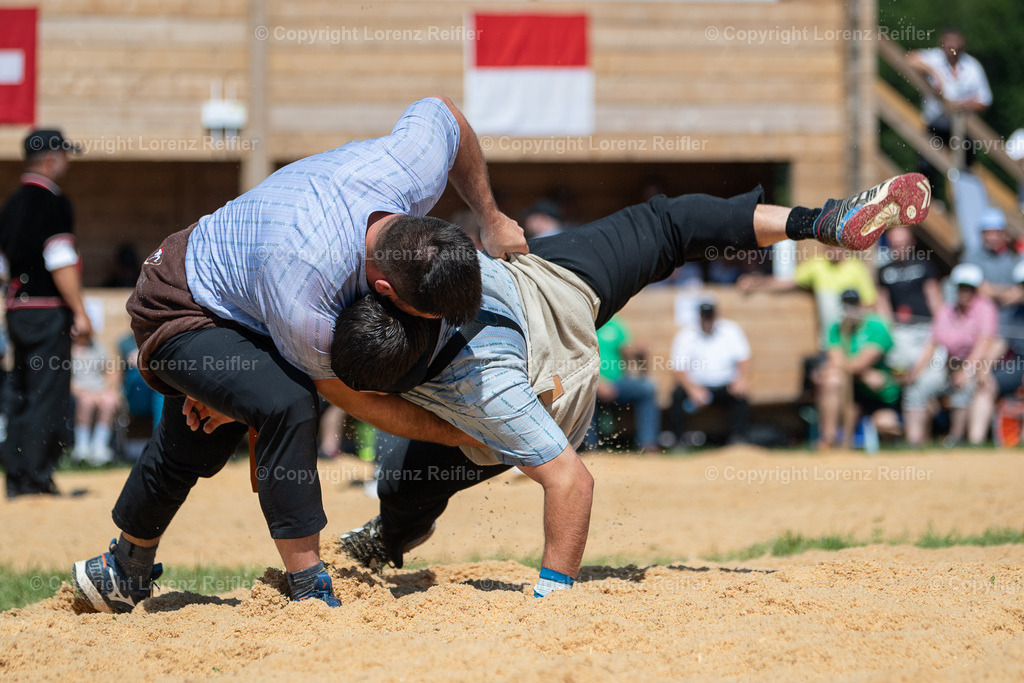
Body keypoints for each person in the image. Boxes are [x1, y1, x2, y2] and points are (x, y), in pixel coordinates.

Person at [335, 172, 931, 598]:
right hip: (548, 298)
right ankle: (816, 221)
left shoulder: (472, 385)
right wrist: (488, 214)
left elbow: (571, 481)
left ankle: (386, 537)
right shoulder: (410, 272)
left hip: (540, 360)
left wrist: (552, 595)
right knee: (670, 223)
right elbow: (446, 115)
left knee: (409, 493)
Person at [70, 96, 528, 614]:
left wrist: (491, 216)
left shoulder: (408, 170)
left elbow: (445, 112)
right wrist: (458, 435)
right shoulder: (306, 290)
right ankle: (309, 585)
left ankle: (123, 567)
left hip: (253, 281)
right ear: (383, 287)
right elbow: (332, 390)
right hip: (181, 301)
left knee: (198, 430)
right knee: (284, 403)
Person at [0, 129, 91, 498]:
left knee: (21, 390)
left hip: (17, 308)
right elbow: (60, 261)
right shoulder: (53, 202)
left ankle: (18, 475)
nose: (67, 162)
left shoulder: (11, 203)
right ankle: (37, 478)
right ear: (52, 158)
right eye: (66, 155)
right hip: (47, 310)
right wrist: (81, 311)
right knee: (47, 393)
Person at [902, 263, 999, 446]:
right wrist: (917, 371)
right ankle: (913, 441)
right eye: (962, 287)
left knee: (964, 387)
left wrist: (966, 371)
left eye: (970, 288)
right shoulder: (946, 310)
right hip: (948, 366)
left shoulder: (985, 308)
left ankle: (955, 439)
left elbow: (984, 343)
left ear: (976, 289)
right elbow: (932, 343)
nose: (965, 292)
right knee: (916, 388)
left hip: (978, 367)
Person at [907, 27, 992, 195]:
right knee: (927, 165)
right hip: (935, 123)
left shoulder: (973, 67)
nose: (951, 49)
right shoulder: (934, 58)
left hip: (963, 127)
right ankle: (931, 201)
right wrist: (933, 73)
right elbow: (910, 58)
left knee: (965, 168)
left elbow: (985, 99)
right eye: (948, 45)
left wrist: (967, 104)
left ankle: (963, 201)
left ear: (962, 46)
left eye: (955, 45)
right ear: (942, 45)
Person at [738, 248, 878, 344]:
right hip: (830, 339)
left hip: (855, 338)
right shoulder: (817, 265)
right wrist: (756, 282)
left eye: (837, 246)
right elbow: (786, 281)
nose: (834, 251)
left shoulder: (856, 268)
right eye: (829, 246)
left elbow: (869, 303)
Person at [817, 289, 901, 449]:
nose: (850, 309)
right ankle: (828, 440)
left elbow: (859, 364)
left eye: (854, 304)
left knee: (887, 425)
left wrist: (855, 370)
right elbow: (840, 363)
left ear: (862, 305)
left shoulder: (877, 326)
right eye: (846, 305)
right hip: (853, 391)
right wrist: (864, 375)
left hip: (879, 395)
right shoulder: (835, 328)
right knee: (832, 379)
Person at [668, 301, 751, 445]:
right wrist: (693, 389)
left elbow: (743, 358)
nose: (707, 319)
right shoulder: (686, 335)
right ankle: (679, 441)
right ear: (699, 317)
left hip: (725, 384)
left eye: (710, 316)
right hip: (697, 386)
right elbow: (678, 367)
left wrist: (740, 379)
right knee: (677, 395)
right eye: (704, 316)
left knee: (741, 396)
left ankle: (738, 440)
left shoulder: (731, 330)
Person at [587, 315, 660, 452]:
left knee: (648, 388)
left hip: (618, 383)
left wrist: (639, 350)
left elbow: (627, 349)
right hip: (590, 384)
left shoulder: (615, 324)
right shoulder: (585, 325)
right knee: (585, 395)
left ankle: (648, 444)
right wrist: (598, 382)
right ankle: (591, 448)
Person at [876, 225, 942, 374]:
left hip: (926, 328)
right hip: (901, 331)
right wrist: (890, 331)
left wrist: (939, 327)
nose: (900, 248)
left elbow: (935, 298)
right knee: (899, 366)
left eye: (903, 244)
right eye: (895, 245)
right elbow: (882, 302)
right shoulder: (884, 270)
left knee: (931, 371)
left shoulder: (924, 265)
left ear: (911, 243)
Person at [70, 336, 122, 466]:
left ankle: (100, 448)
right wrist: (85, 393)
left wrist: (111, 389)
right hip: (79, 392)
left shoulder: (98, 347)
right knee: (87, 401)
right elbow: (64, 380)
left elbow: (112, 370)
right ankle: (82, 449)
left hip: (99, 390)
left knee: (110, 401)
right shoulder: (65, 349)